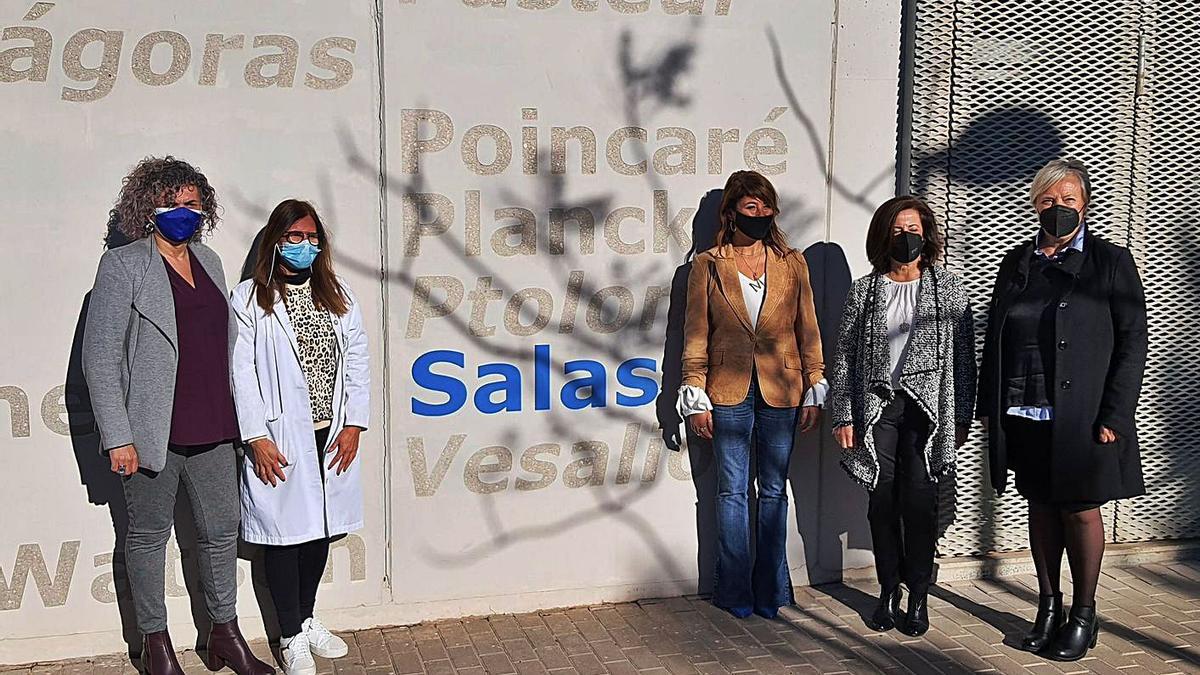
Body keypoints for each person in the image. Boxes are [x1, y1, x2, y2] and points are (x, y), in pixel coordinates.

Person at [83, 157, 274, 675]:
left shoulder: (210, 261)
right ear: (148, 208)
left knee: (219, 533)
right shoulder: (122, 267)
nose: (181, 212)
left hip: (215, 425)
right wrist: (118, 436)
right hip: (152, 434)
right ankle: (156, 645)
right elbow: (99, 359)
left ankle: (225, 636)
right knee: (147, 538)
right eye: (171, 203)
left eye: (191, 203)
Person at [978, 159, 1147, 661]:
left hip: (1085, 414)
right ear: (1034, 205)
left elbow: (1133, 341)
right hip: (1024, 410)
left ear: (1085, 203)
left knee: (1078, 509)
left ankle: (1084, 614)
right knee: (1041, 508)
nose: (1058, 208)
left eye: (1068, 199)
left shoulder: (1110, 262)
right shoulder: (1017, 263)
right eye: (1048, 201)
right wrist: (991, 409)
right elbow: (996, 338)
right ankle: (1047, 607)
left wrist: (1116, 415)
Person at [678, 170, 827, 619]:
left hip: (783, 388)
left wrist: (815, 384)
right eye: (751, 207)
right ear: (732, 212)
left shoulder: (792, 262)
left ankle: (773, 591)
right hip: (727, 391)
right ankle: (734, 591)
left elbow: (808, 329)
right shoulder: (707, 265)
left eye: (766, 207)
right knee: (731, 492)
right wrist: (693, 392)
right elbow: (696, 334)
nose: (760, 215)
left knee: (774, 493)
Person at [231, 200, 369, 675]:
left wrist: (353, 424)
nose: (304, 246)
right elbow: (241, 374)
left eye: (312, 238)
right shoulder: (249, 298)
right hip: (278, 436)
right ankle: (289, 636)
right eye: (294, 238)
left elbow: (357, 362)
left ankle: (307, 619)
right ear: (275, 241)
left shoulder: (338, 293)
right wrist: (254, 436)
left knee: (319, 533)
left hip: (328, 431)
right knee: (285, 537)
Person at [829, 196, 977, 637]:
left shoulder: (949, 288)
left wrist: (961, 418)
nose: (906, 236)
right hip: (878, 410)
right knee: (881, 501)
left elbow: (965, 361)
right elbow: (843, 356)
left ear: (926, 233)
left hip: (928, 412)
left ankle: (918, 593)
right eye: (897, 229)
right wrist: (843, 414)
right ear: (884, 236)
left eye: (913, 228)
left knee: (918, 502)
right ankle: (887, 589)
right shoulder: (865, 289)